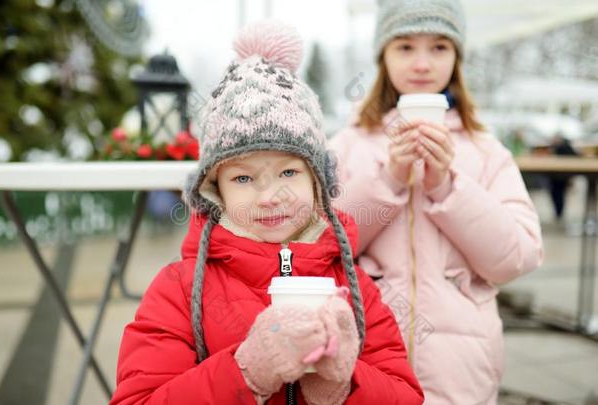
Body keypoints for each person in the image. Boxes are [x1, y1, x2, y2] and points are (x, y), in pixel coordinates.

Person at [110, 22, 423, 405]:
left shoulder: (355, 287)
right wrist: (245, 372)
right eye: (243, 178)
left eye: (289, 172)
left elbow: (405, 396)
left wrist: (344, 384)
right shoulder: (179, 289)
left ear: (317, 182)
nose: (270, 196)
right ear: (215, 190)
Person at [329, 1, 544, 403]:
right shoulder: (346, 146)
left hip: (462, 371)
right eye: (405, 47)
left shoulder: (486, 152)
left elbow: (517, 258)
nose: (422, 63)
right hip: (361, 364)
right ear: (383, 55)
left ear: (457, 56)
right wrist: (389, 178)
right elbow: (319, 247)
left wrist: (447, 187)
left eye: (440, 47)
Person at [548, 133, 579, 221]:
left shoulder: (561, 147)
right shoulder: (560, 147)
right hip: (560, 176)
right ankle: (559, 213)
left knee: (557, 195)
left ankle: (559, 213)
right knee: (558, 195)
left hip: (559, 177)